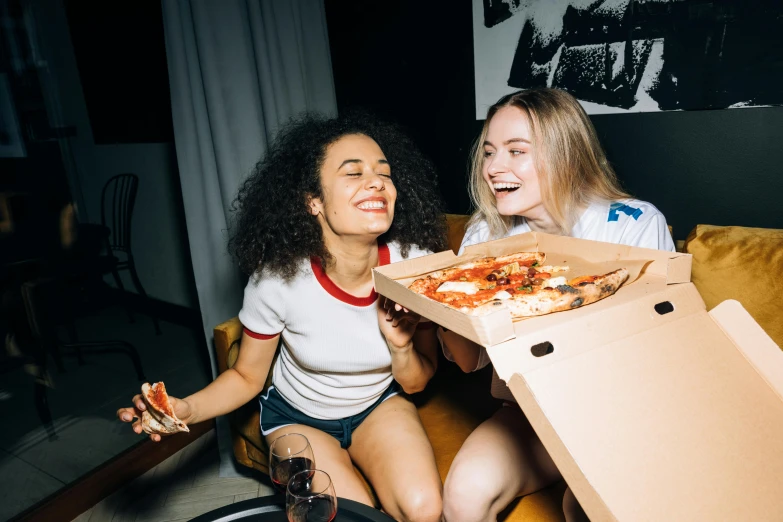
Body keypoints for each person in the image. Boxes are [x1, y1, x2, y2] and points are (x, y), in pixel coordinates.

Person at [117, 113, 447, 522]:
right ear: (313, 201)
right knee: (351, 516)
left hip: (379, 404)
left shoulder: (417, 267)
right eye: (353, 172)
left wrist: (400, 348)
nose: (377, 181)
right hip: (297, 418)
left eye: (384, 172)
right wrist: (187, 409)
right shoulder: (278, 280)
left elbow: (417, 382)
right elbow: (246, 377)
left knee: (425, 509)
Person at [440, 88, 675, 522]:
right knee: (461, 497)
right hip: (531, 413)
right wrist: (437, 316)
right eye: (490, 152)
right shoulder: (483, 234)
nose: (493, 168)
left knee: (585, 508)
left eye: (516, 151)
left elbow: (654, 358)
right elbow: (468, 362)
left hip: (620, 414)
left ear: (565, 153)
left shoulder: (635, 225)